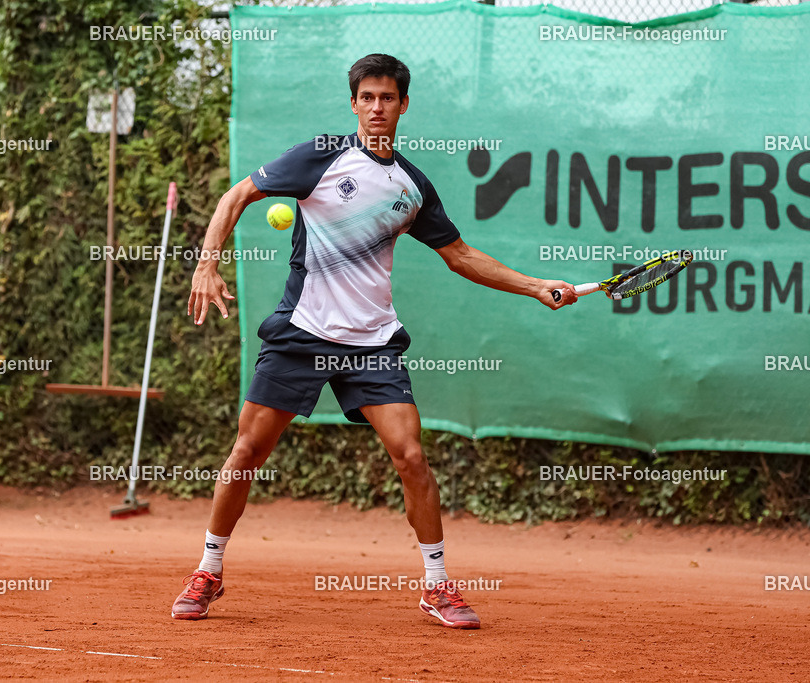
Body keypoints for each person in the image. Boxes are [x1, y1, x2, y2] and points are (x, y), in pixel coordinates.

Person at [173, 53, 577, 629]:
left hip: (372, 342)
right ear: (354, 104)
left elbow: (460, 255)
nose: (377, 108)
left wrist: (536, 286)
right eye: (367, 98)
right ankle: (208, 569)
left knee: (411, 455)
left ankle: (436, 585)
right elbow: (234, 196)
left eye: (387, 98)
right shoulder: (319, 156)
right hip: (303, 332)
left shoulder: (412, 186)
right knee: (247, 453)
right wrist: (206, 265)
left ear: (403, 105)